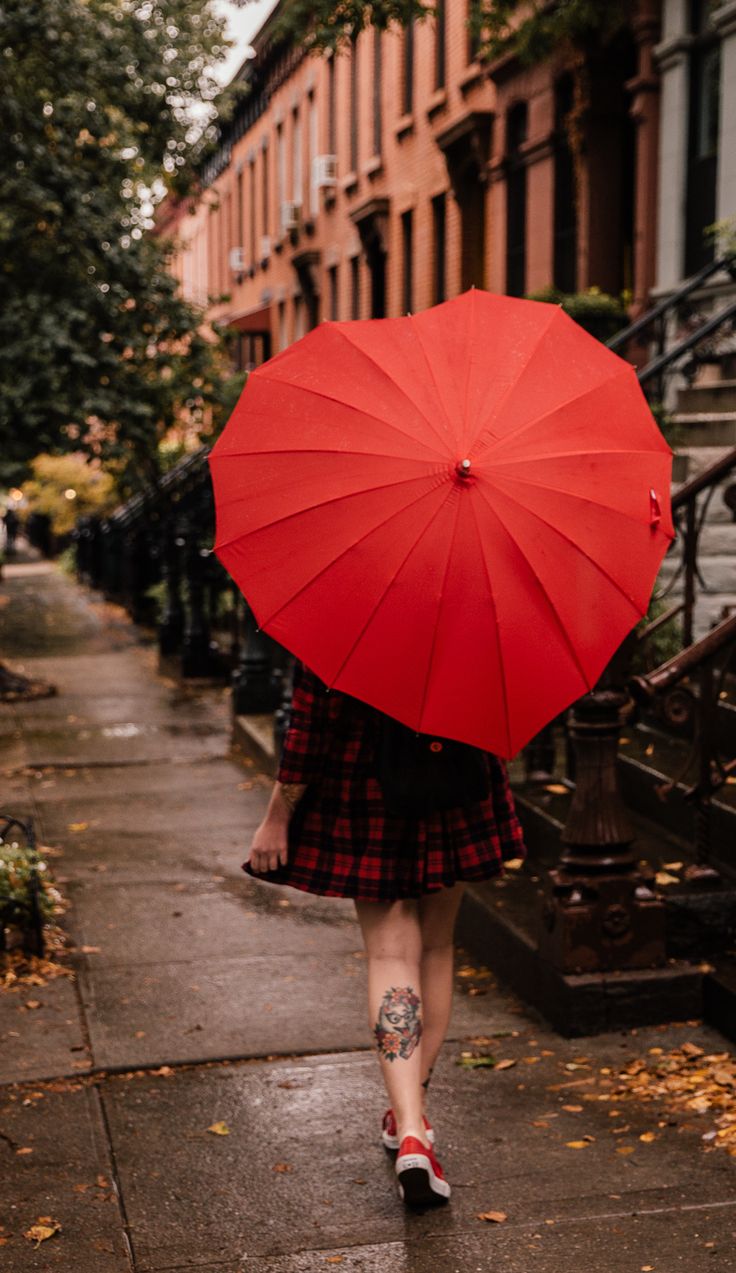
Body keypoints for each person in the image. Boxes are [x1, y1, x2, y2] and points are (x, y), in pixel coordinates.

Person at [244, 658, 526, 1210]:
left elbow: (308, 723)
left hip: (367, 787)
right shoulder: (472, 601)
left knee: (391, 955)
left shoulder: (345, 607)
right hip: (457, 778)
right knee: (439, 946)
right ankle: (411, 1124)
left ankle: (412, 1128)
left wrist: (277, 814)